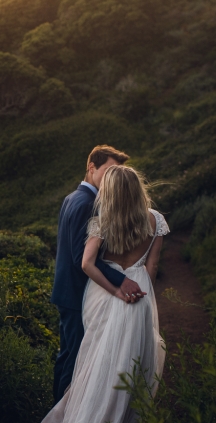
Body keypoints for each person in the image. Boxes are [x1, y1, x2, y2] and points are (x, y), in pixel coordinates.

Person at [0, 164, 169, 423]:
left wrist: (116, 289)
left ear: (111, 192)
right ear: (138, 188)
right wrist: (142, 298)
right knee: (134, 364)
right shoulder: (155, 220)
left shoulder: (102, 222)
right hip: (140, 296)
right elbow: (153, 266)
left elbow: (87, 263)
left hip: (107, 296)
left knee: (100, 364)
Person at [50, 146, 145, 404]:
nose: (111, 176)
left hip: (66, 290)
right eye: (108, 170)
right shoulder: (88, 204)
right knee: (75, 358)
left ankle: (56, 416)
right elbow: (81, 258)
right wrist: (118, 281)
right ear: (92, 167)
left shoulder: (72, 197)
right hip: (76, 293)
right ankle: (61, 419)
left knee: (67, 355)